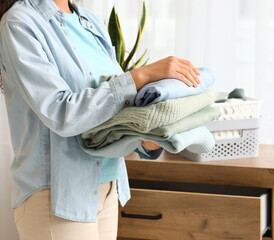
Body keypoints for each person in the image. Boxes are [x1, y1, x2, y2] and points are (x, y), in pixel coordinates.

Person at [0, 0, 201, 239]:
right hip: (55, 198)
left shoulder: (89, 21)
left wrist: (146, 138)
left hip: (107, 189)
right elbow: (60, 113)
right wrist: (141, 75)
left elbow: (112, 111)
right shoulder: (19, 23)